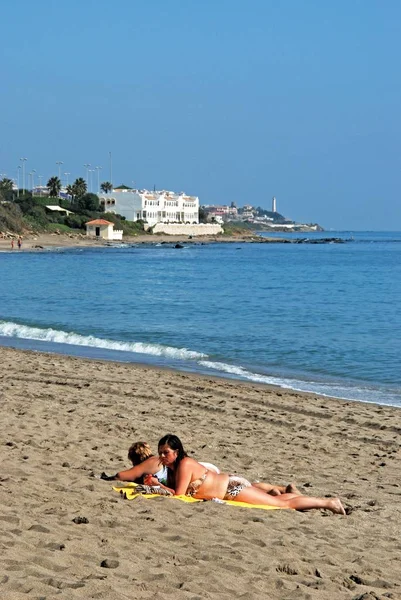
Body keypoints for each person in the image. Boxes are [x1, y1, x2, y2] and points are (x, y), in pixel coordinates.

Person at [155, 434, 346, 514]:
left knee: (283, 505)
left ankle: (328, 503)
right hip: (229, 486)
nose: (163, 456)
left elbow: (178, 495)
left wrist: (159, 486)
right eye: (161, 453)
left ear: (177, 452)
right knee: (279, 500)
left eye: (167, 453)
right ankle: (295, 495)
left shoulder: (185, 464)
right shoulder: (174, 468)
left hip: (233, 488)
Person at [102, 440, 300, 496]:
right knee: (243, 484)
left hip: (199, 474)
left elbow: (123, 475)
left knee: (233, 486)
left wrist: (107, 478)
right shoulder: (162, 460)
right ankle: (281, 489)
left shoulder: (151, 463)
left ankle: (281, 493)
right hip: (204, 469)